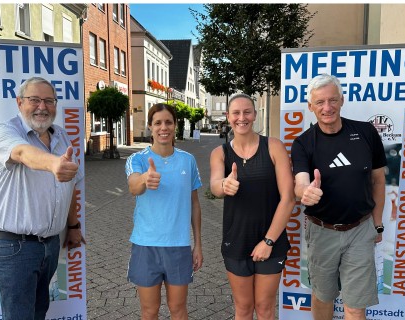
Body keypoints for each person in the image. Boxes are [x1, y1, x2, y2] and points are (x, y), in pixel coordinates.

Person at [0, 77, 85, 320]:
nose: (42, 106)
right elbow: (22, 153)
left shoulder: (61, 136)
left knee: (38, 312)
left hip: (49, 244)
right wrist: (53, 163)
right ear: (19, 102)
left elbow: (70, 187)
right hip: (12, 248)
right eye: (34, 99)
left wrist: (73, 225)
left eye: (49, 100)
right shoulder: (5, 132)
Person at [291, 74, 386, 320]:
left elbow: (378, 180)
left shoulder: (365, 132)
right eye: (320, 102)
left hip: (360, 230)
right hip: (322, 232)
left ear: (342, 100)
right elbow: (300, 184)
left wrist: (377, 224)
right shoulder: (303, 143)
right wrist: (305, 193)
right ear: (310, 106)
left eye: (333, 100)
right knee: (323, 297)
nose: (327, 107)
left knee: (355, 306)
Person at [209, 93, 295, 320]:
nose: (242, 117)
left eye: (247, 112)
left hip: (271, 241)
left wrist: (268, 241)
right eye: (236, 113)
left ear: (255, 115)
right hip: (236, 240)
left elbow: (288, 198)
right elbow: (215, 187)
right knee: (244, 309)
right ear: (228, 117)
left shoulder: (274, 147)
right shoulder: (220, 153)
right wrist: (224, 185)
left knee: (265, 309)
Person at [125, 103, 203, 319]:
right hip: (145, 246)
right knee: (149, 310)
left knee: (178, 309)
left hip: (178, 246)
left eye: (168, 122)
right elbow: (134, 187)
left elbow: (195, 204)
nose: (163, 127)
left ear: (175, 125)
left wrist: (198, 244)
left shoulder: (188, 160)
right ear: (150, 127)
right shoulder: (137, 159)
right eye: (157, 123)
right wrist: (144, 179)